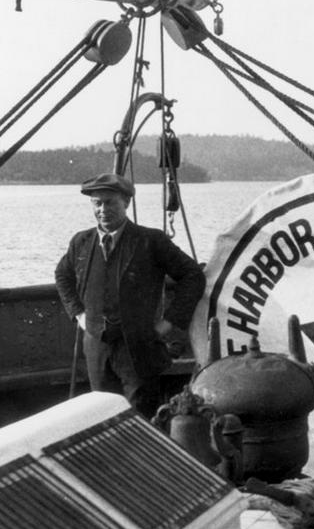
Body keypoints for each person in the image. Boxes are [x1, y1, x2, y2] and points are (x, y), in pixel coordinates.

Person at [55, 173, 206, 417]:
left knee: (142, 416)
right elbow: (62, 276)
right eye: (97, 203)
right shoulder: (81, 242)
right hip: (96, 348)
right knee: (103, 416)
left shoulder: (150, 240)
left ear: (126, 203)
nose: (103, 209)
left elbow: (193, 276)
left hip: (138, 349)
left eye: (110, 202)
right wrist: (79, 314)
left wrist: (168, 324)